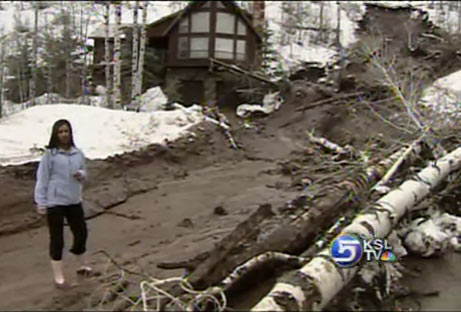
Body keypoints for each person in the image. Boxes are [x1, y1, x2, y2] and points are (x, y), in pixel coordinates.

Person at [34, 119, 92, 289]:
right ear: (55, 134)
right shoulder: (50, 155)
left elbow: (85, 171)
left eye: (66, 131)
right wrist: (41, 202)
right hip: (55, 202)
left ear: (71, 133)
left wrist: (81, 174)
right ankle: (58, 276)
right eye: (60, 132)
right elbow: (42, 179)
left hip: (74, 200)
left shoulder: (78, 153)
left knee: (81, 233)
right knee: (57, 239)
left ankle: (82, 265)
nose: (64, 134)